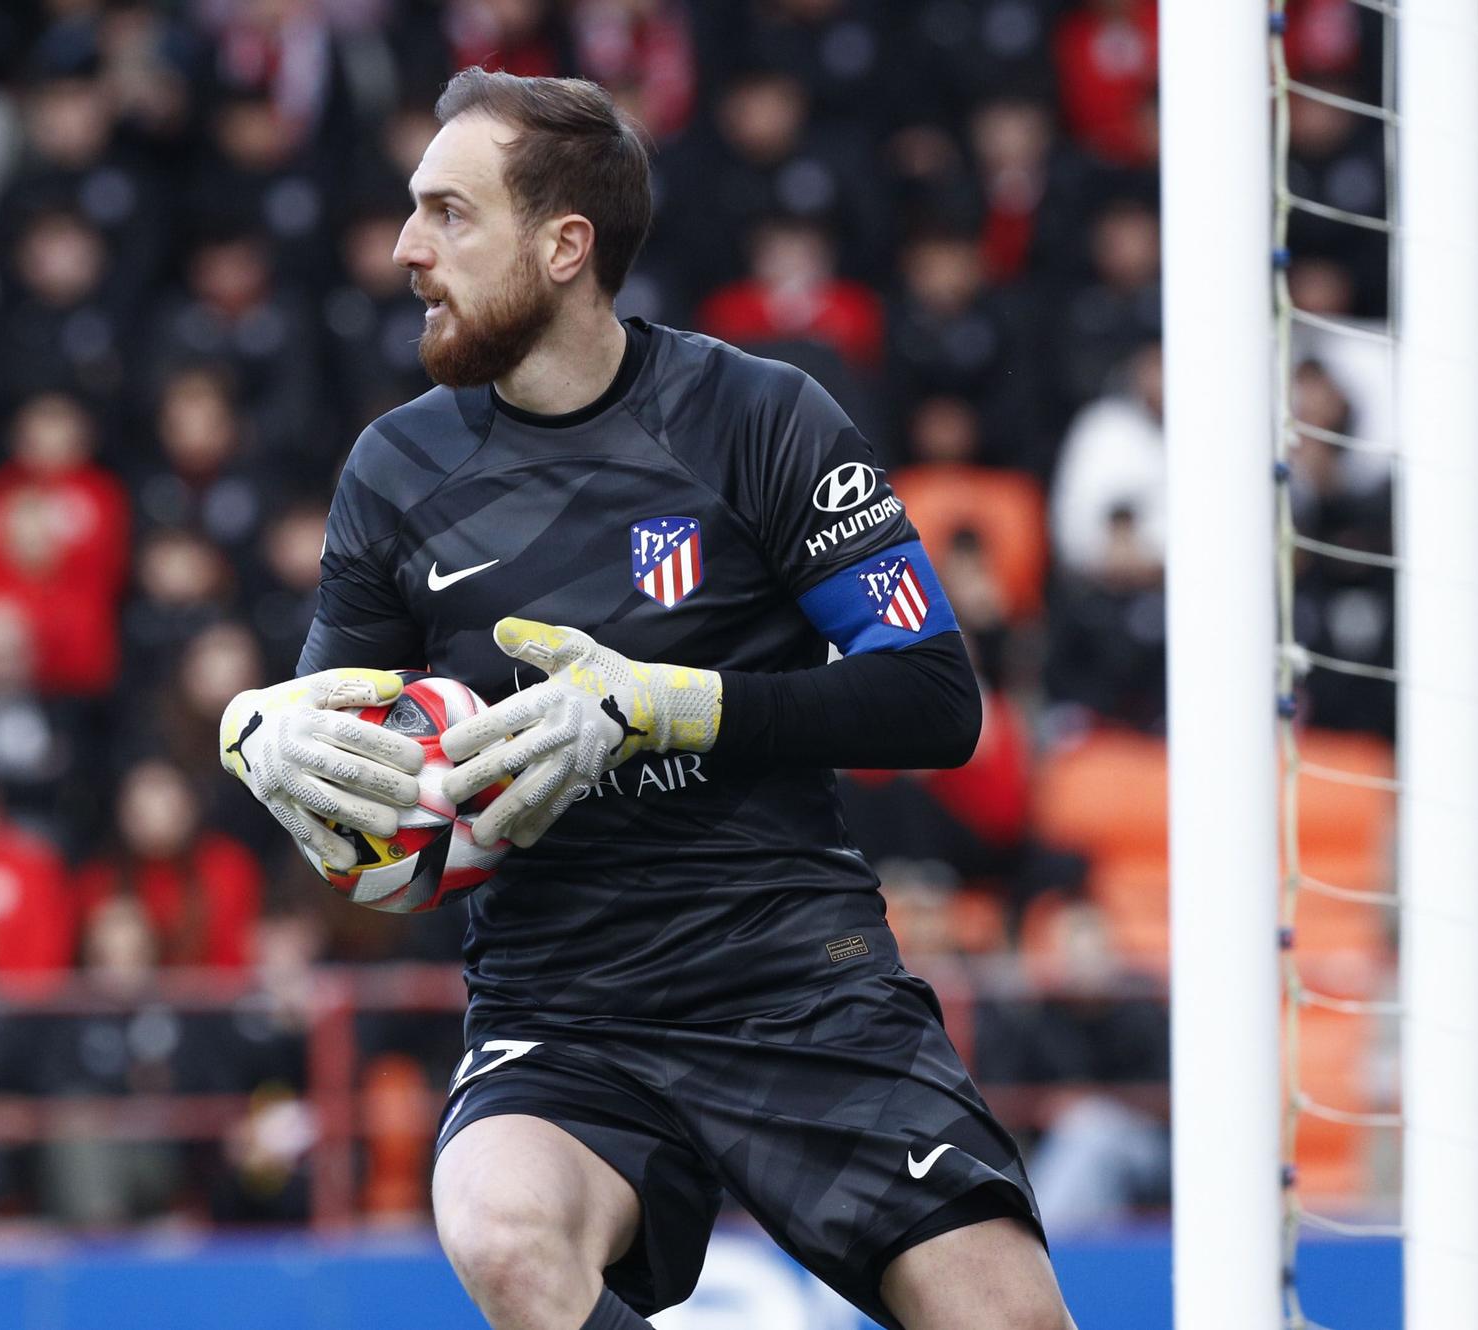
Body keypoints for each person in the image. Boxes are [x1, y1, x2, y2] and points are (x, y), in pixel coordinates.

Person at [218, 70, 1071, 1330]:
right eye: (412, 212)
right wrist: (257, 732)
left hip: (797, 975)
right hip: (558, 1001)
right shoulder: (395, 468)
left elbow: (936, 700)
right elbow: (344, 749)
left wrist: (670, 707)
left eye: (448, 214)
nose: (406, 249)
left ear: (566, 246)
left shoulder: (760, 417)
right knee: (502, 1234)